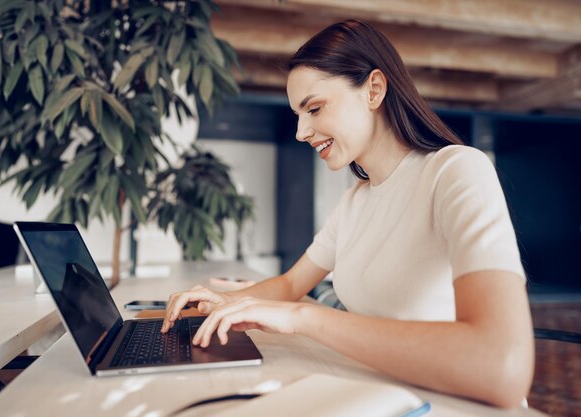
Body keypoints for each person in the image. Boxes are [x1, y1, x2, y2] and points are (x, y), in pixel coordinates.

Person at [161, 19, 534, 408]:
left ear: (374, 89)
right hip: (375, 396)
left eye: (315, 108)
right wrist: (224, 301)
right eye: (298, 115)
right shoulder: (356, 201)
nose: (301, 132)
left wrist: (304, 318)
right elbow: (291, 285)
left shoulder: (456, 171)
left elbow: (501, 368)